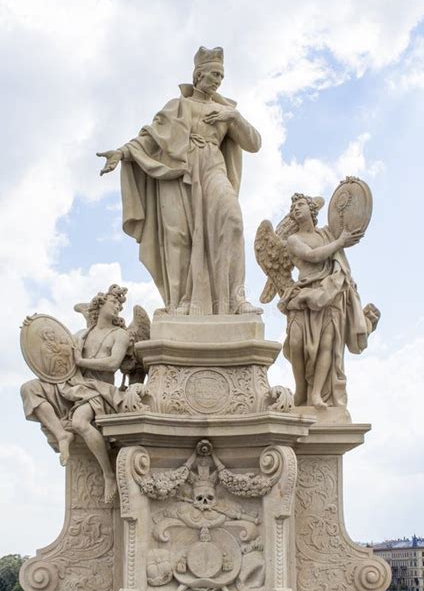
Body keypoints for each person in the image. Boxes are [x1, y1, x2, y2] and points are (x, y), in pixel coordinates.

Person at [97, 46, 262, 315]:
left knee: (232, 220)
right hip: (178, 172)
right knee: (179, 237)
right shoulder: (178, 106)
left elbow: (254, 144)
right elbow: (150, 138)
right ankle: (183, 302)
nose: (218, 80)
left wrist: (234, 116)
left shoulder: (225, 110)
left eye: (222, 76)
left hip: (211, 168)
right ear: (199, 75)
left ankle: (236, 299)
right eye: (214, 74)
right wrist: (122, 152)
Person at [20, 285, 131, 502]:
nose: (118, 306)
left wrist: (81, 361)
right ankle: (61, 434)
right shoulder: (81, 335)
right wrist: (31, 329)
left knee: (80, 422)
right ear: (100, 304)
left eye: (120, 304)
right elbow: (57, 351)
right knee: (29, 388)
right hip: (74, 385)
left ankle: (108, 474)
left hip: (99, 390)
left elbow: (112, 363)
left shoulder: (120, 335)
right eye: (114, 302)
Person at [281, 194, 379, 408]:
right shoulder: (293, 240)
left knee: (328, 344)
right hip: (304, 294)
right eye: (293, 206)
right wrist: (340, 242)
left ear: (311, 210)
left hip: (331, 292)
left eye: (300, 204)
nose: (296, 208)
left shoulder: (326, 233)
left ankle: (317, 394)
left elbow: (347, 221)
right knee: (296, 342)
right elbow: (313, 256)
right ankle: (301, 390)